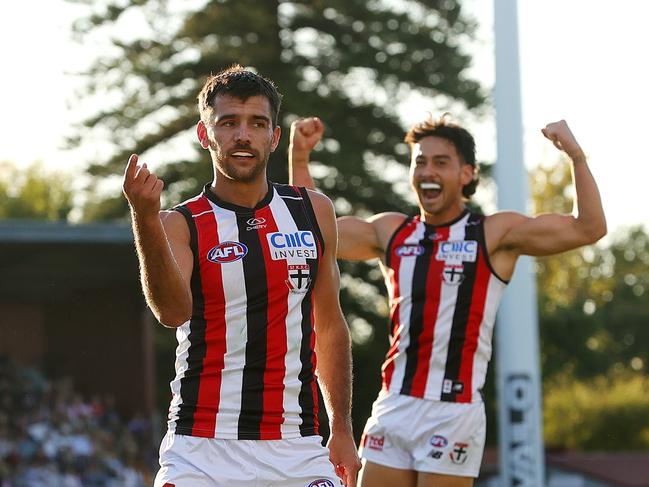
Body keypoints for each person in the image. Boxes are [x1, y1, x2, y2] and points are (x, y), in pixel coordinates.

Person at [289, 115, 606, 487]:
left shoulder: (492, 233)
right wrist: (299, 158)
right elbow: (311, 233)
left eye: (441, 162)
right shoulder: (392, 231)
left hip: (453, 412)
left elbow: (589, 227)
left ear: (467, 174)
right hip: (394, 404)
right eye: (420, 161)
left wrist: (576, 155)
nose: (428, 171)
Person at [122, 65, 361, 487]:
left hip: (296, 443)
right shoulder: (180, 223)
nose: (243, 135)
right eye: (228, 123)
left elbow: (329, 325)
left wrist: (340, 427)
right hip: (202, 447)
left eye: (257, 123)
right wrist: (144, 218)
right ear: (204, 134)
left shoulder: (313, 210)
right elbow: (172, 312)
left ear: (274, 137)